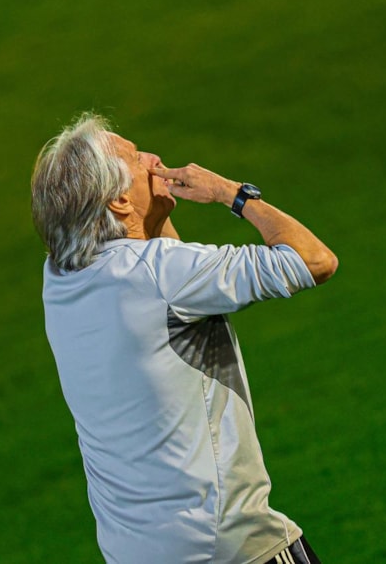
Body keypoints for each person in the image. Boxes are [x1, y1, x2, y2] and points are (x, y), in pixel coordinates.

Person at [31, 113, 337, 564]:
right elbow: (314, 260)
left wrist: (151, 214)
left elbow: (153, 266)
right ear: (119, 200)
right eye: (137, 157)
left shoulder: (59, 281)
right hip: (228, 546)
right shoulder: (160, 275)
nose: (153, 158)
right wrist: (231, 193)